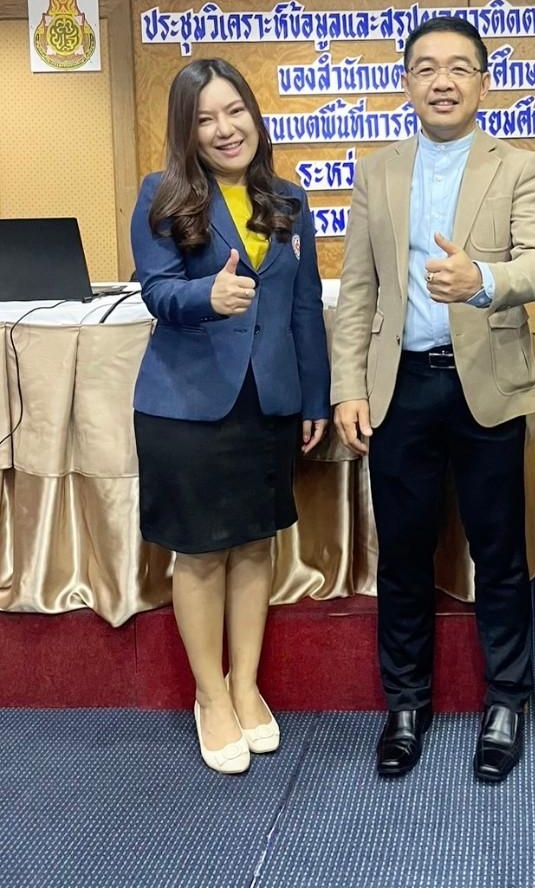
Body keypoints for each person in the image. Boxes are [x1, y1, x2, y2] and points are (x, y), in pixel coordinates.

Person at [331, 16, 535, 783]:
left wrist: (481, 280)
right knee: (403, 554)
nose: (443, 81)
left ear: (483, 82)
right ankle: (406, 705)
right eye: (426, 67)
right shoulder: (377, 171)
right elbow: (358, 290)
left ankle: (507, 702)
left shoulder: (518, 166)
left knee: (499, 553)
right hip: (401, 388)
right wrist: (348, 386)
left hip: (488, 383)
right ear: (407, 82)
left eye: (459, 67)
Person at [131, 57, 330, 774]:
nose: (224, 129)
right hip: (188, 405)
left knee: (253, 545)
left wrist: (314, 398)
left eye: (234, 111)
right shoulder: (162, 195)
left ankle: (246, 686)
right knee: (201, 551)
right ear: (187, 131)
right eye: (206, 119)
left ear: (254, 114)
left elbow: (304, 308)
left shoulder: (289, 200)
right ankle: (209, 696)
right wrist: (204, 299)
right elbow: (155, 290)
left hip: (268, 402)